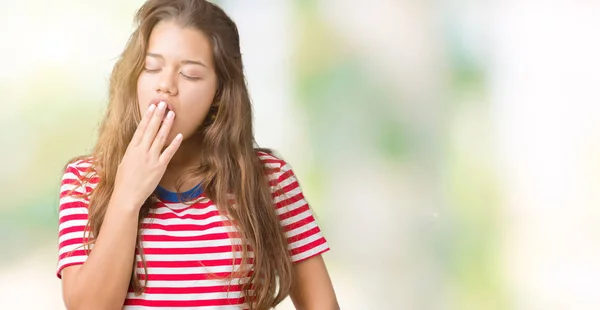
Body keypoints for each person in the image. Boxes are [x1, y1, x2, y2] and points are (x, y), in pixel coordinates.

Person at [55, 0, 339, 309]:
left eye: (190, 74)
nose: (166, 86)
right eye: (152, 67)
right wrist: (126, 195)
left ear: (219, 94)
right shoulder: (85, 181)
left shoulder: (269, 179)